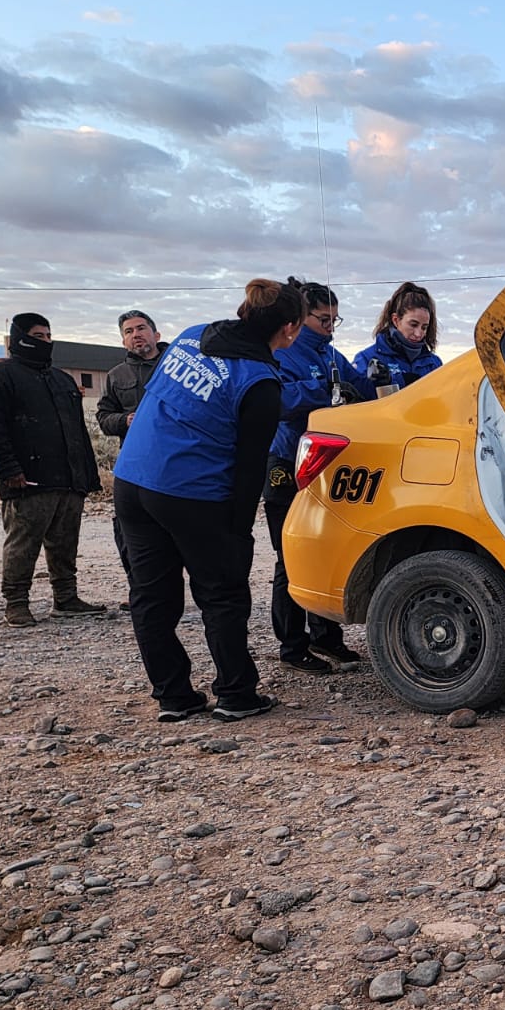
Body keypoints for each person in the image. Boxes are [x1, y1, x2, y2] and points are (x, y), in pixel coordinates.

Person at [112, 279, 303, 722]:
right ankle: (236, 693)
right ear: (290, 329)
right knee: (222, 594)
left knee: (151, 594)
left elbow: (159, 394)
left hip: (133, 479)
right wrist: (237, 532)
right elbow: (249, 466)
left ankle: (173, 696)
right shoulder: (259, 382)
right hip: (192, 492)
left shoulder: (191, 335)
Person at [0, 313, 105, 628]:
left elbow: (77, 431)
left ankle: (66, 599)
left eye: (47, 335)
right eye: (37, 335)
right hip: (27, 479)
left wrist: (86, 475)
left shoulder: (61, 379)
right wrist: (8, 470)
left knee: (65, 542)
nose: (44, 341)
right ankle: (16, 604)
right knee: (23, 543)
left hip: (68, 479)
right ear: (19, 337)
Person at [267, 280, 374, 674]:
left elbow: (357, 387)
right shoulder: (284, 352)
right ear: (301, 317)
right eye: (323, 319)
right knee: (289, 556)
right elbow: (278, 399)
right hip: (286, 461)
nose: (330, 326)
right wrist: (322, 389)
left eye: (335, 319)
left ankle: (326, 638)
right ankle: (292, 647)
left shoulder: (330, 353)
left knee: (326, 548)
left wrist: (372, 380)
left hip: (327, 464)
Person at [96, 309, 167, 610]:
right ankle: (141, 589)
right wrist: (125, 420)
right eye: (128, 331)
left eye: (141, 328)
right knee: (129, 528)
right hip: (135, 465)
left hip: (176, 461)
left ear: (156, 334)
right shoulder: (116, 376)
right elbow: (103, 417)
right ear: (123, 340)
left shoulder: (174, 367)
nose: (135, 334)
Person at [357, 281, 442, 392]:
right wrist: (393, 381)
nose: (418, 333)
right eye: (413, 325)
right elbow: (358, 398)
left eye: (424, 327)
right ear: (396, 320)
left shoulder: (434, 364)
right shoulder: (367, 359)